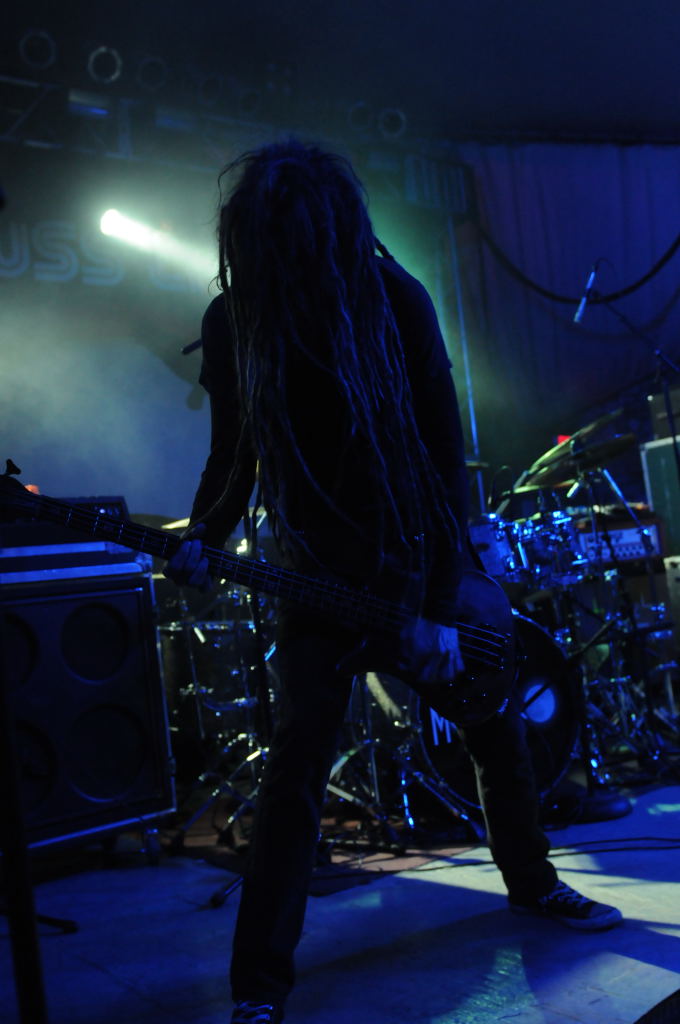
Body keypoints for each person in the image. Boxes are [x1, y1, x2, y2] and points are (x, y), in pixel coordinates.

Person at [165, 138, 621, 1024]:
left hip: (419, 561)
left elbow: (443, 457)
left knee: (493, 720)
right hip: (316, 581)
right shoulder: (236, 321)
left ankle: (533, 883)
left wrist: (439, 604)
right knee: (295, 768)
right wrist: (205, 537)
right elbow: (234, 456)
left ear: (331, 230)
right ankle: (258, 987)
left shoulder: (393, 299)